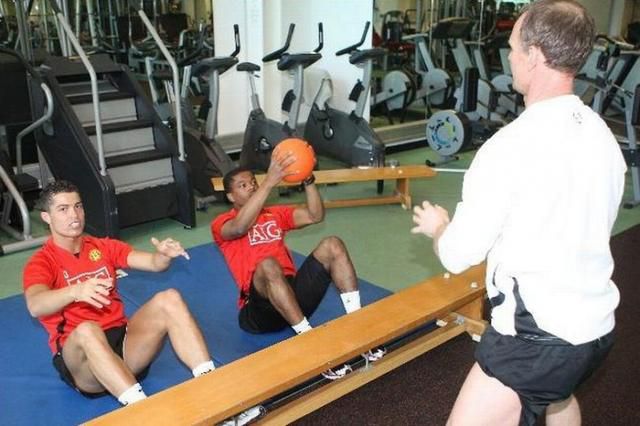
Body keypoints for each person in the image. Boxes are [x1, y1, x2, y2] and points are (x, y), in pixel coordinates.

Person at [411, 1, 626, 425]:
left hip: (535, 339)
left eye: (512, 47)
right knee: (557, 397)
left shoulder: (509, 146)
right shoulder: (602, 134)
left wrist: (440, 228)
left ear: (534, 55)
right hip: (595, 328)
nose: (508, 56)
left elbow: (458, 254)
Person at [23, 180, 215, 406]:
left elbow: (152, 263)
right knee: (87, 330)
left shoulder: (102, 247)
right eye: (63, 209)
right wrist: (76, 291)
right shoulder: (41, 262)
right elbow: (35, 305)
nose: (74, 215)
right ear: (47, 217)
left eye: (78, 206)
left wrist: (162, 255)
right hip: (84, 365)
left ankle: (212, 388)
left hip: (124, 347)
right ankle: (143, 411)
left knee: (169, 298)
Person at [211, 150, 384, 379]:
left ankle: (358, 323)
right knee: (268, 265)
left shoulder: (274, 214)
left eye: (253, 182)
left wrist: (308, 181)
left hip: (292, 296)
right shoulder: (222, 223)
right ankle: (310, 344)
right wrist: (269, 182)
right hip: (259, 310)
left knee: (333, 244)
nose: (251, 186)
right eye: (243, 185)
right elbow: (240, 228)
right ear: (231, 196)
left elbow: (315, 215)